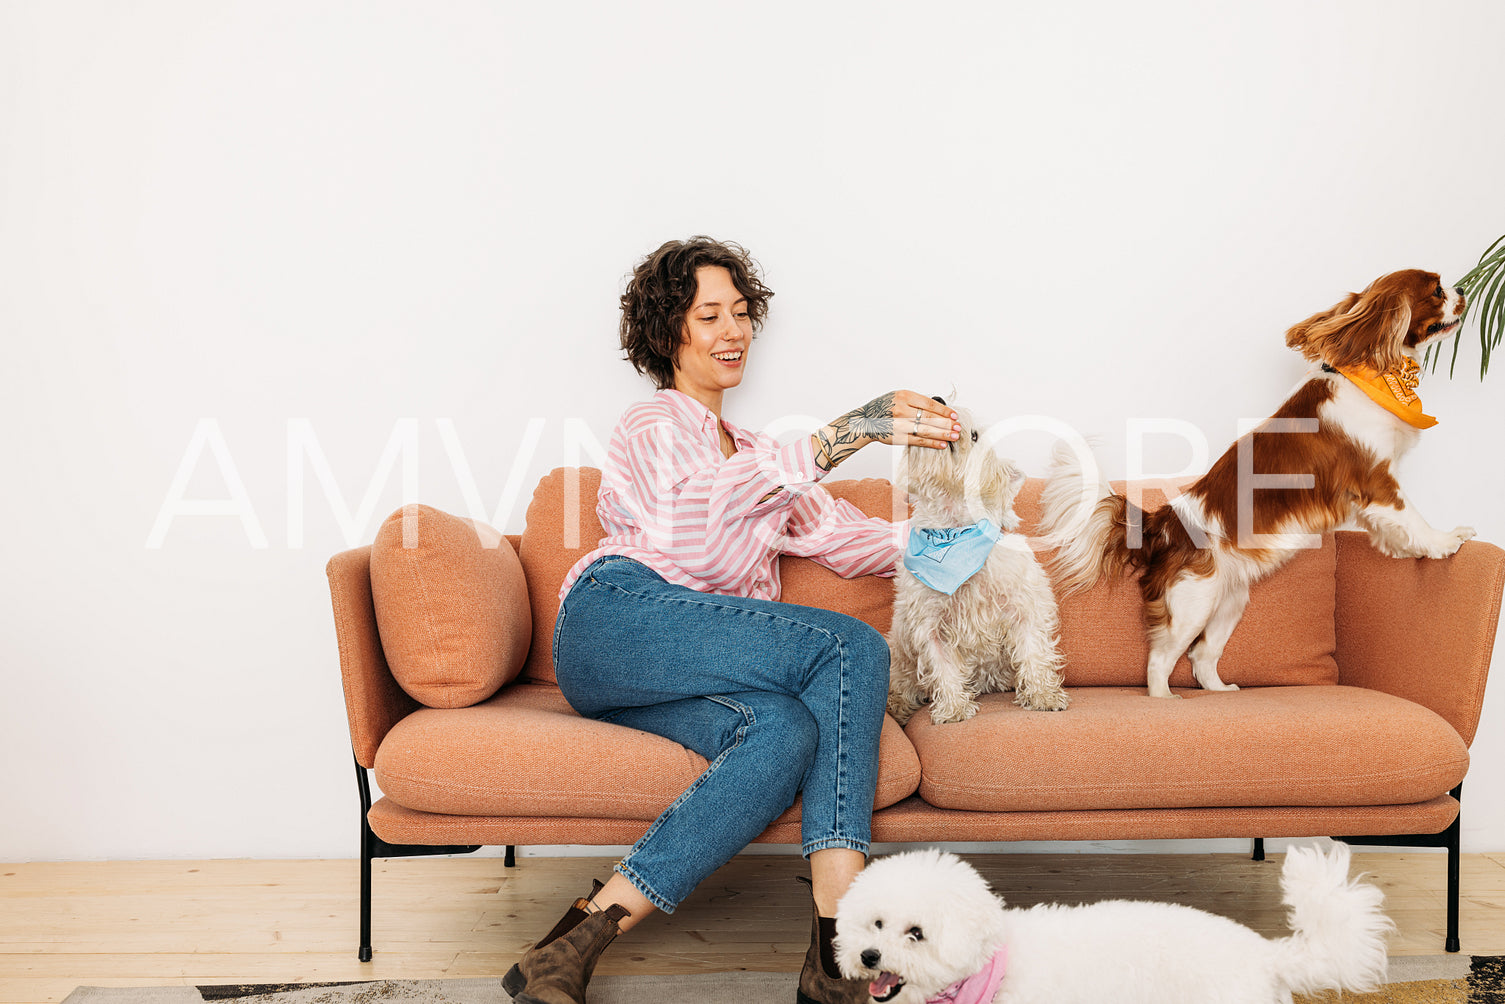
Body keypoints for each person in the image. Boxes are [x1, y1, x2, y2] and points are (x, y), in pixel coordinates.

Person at [503, 237, 960, 1004]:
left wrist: (974, 544)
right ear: (666, 334)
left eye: (741, 313)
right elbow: (696, 528)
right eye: (708, 314)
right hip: (615, 623)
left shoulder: (757, 454)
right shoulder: (652, 425)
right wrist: (850, 430)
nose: (732, 330)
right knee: (846, 646)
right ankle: (841, 946)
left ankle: (572, 943)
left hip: (685, 669)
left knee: (785, 731)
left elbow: (851, 540)